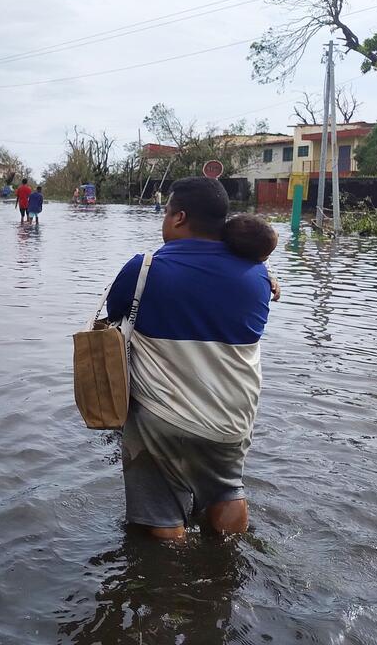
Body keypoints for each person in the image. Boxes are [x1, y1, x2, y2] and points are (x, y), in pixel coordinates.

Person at [105, 177, 273, 540]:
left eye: (166, 212)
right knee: (227, 489)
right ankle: (227, 560)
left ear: (179, 217)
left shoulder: (144, 270)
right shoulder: (260, 277)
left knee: (161, 515)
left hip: (163, 418)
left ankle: (172, 582)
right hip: (233, 419)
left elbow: (116, 315)